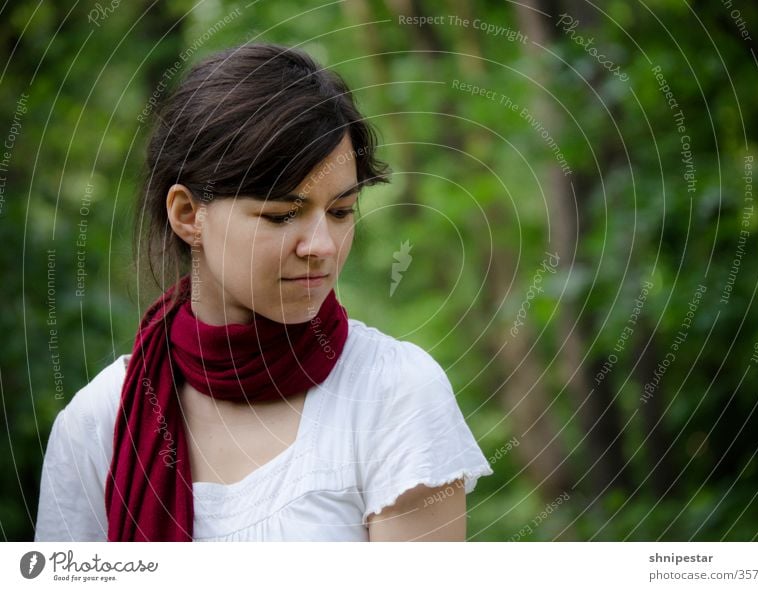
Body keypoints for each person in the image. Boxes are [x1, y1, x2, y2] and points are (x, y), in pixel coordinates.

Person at [34, 42, 492, 542]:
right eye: (280, 215)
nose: (321, 246)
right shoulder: (100, 421)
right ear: (189, 215)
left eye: (340, 212)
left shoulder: (394, 394)